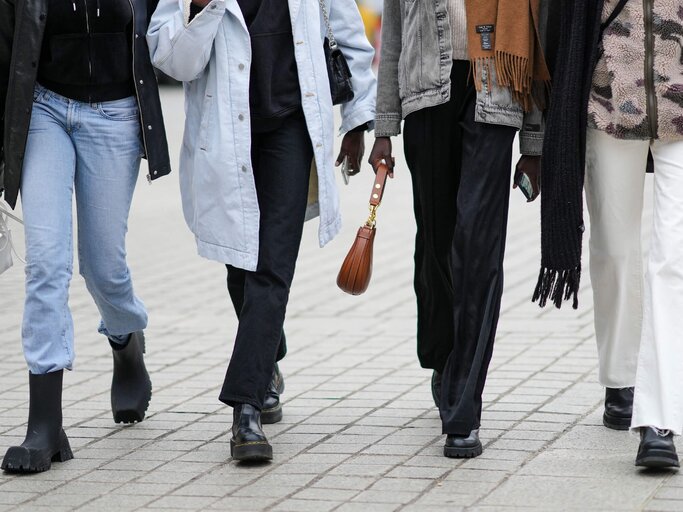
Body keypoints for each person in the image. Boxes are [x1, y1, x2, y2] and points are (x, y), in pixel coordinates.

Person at [147, 0, 376, 461]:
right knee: (241, 265)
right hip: (227, 133)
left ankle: (246, 409)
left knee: (272, 267)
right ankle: (267, 353)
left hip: (292, 127)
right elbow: (173, 61)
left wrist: (358, 120)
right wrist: (198, 9)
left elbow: (350, 36)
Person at [369, 0, 553, 459]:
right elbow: (393, 29)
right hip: (427, 96)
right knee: (436, 244)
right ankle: (443, 355)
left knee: (478, 247)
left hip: (496, 92)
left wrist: (534, 140)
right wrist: (384, 126)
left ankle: (463, 407)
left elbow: (535, 31)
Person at [0, 0, 170, 473]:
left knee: (102, 266)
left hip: (116, 116)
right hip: (44, 111)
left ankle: (126, 339)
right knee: (47, 263)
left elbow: (171, 35)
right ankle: (44, 424)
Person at [534, 0, 683, 470]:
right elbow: (556, 27)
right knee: (616, 250)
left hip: (679, 111)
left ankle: (658, 414)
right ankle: (622, 378)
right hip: (607, 108)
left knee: (671, 258)